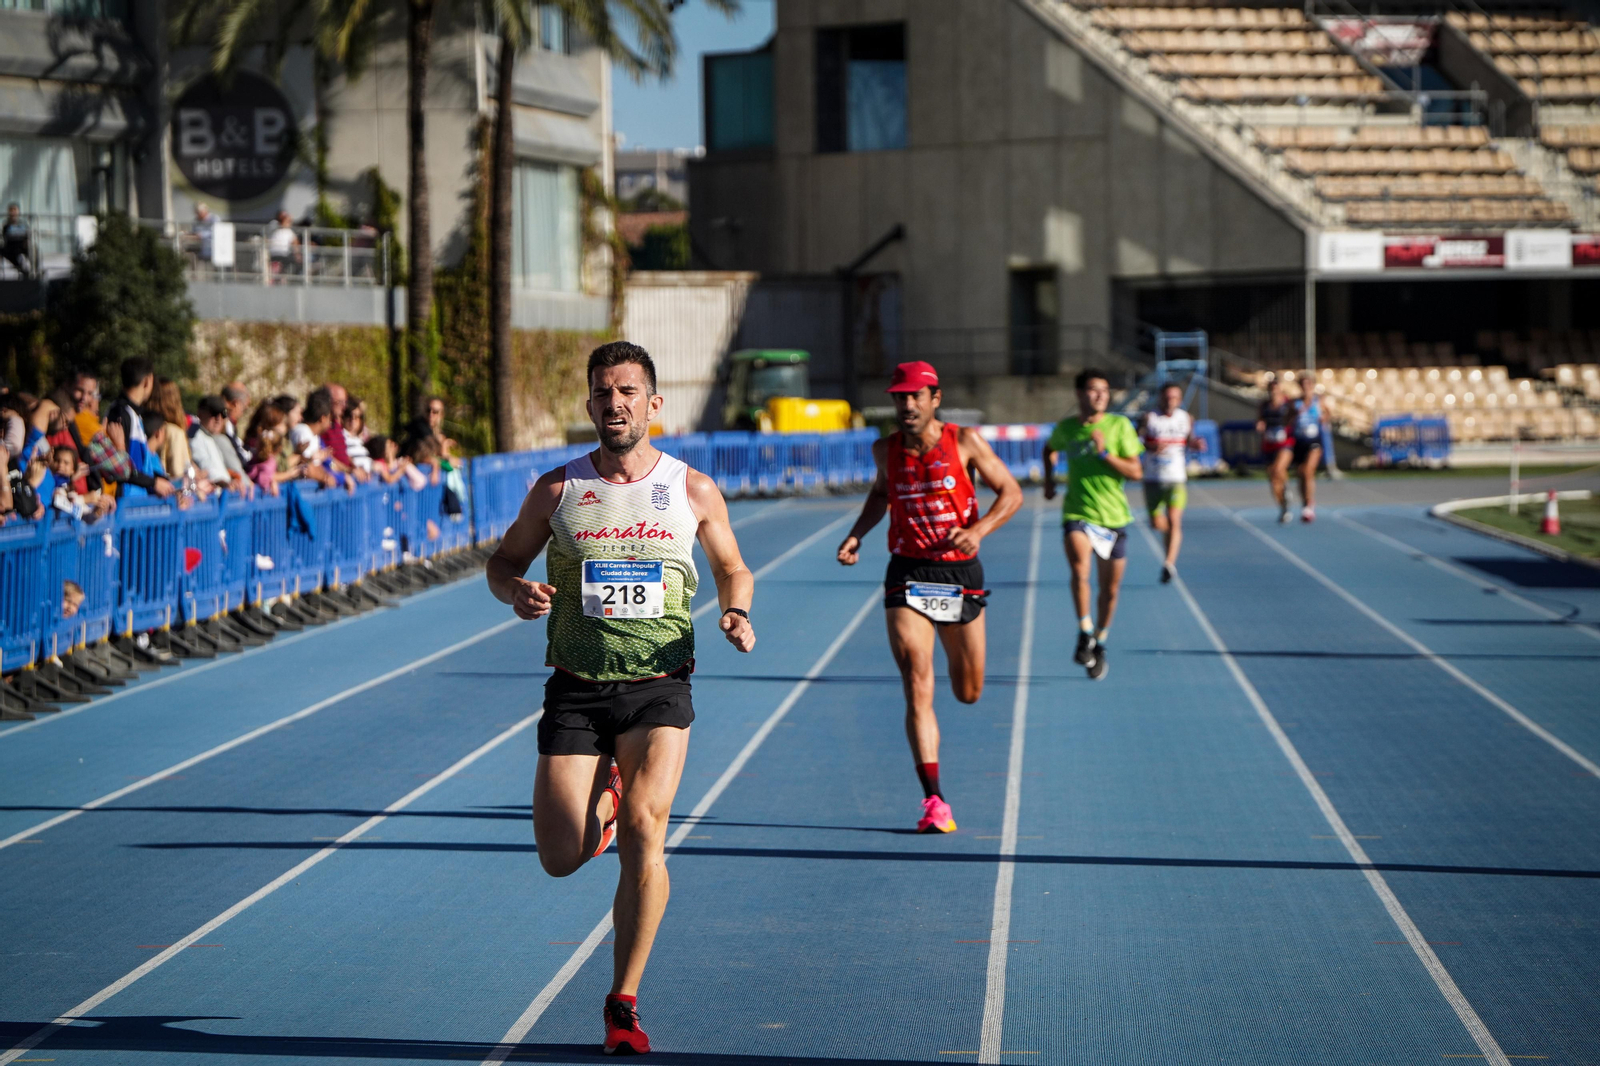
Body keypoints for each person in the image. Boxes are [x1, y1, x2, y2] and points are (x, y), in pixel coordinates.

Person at [485, 341, 756, 1057]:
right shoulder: (558, 490)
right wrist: (516, 590)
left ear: (653, 403)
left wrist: (736, 610)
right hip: (575, 687)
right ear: (590, 405)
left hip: (659, 685)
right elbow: (503, 560)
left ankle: (623, 1002)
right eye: (604, 393)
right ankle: (603, 796)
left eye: (629, 391)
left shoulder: (691, 489)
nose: (616, 403)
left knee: (647, 827)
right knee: (559, 856)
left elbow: (732, 565)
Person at [836, 360, 1022, 834]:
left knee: (968, 691)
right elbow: (881, 495)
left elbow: (1012, 493)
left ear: (934, 399)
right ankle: (935, 800)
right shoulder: (885, 449)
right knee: (917, 677)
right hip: (908, 573)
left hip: (959, 572)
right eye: (900, 397)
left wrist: (979, 530)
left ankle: (961, 685)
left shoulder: (965, 442)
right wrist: (858, 535)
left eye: (915, 396)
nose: (907, 405)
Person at [1043, 367, 1144, 682]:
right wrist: (1049, 481)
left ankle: (1099, 641)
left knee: (1110, 591)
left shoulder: (1119, 425)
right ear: (1079, 394)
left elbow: (1136, 472)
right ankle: (1085, 629)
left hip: (1114, 518)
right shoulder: (1067, 428)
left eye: (1105, 390)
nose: (1100, 395)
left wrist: (1105, 454)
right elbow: (1049, 449)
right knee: (1079, 570)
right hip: (1078, 513)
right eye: (1093, 389)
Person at [1140, 381, 1201, 584]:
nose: (1170, 401)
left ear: (1180, 399)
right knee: (1157, 523)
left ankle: (1169, 563)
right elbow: (1135, 442)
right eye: (1167, 397)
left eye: (1174, 397)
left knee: (1175, 521)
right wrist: (1150, 446)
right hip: (1153, 477)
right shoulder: (1149, 418)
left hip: (1176, 478)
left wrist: (1196, 444)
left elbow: (1189, 440)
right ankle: (1169, 539)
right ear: (1160, 398)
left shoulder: (1186, 418)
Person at [104, 358, 176, 500]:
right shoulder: (121, 413)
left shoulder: (135, 415)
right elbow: (119, 467)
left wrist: (163, 483)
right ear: (147, 381)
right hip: (125, 503)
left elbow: (141, 467)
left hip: (138, 501)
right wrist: (153, 482)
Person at [1256, 376, 1297, 525]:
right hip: (1269, 443)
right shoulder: (1264, 405)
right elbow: (1260, 419)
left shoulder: (1287, 403)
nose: (1274, 392)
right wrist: (1260, 424)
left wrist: (1289, 426)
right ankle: (1284, 507)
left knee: (1278, 469)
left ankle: (1287, 489)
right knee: (1273, 481)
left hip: (1284, 442)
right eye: (1271, 389)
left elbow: (1295, 416)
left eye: (1276, 389)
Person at [1289, 384, 1324, 524]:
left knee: (1308, 471)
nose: (1306, 388)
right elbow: (1288, 420)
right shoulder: (1295, 403)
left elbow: (1327, 416)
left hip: (1314, 441)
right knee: (1300, 473)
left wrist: (1324, 417)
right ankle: (1305, 502)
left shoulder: (1319, 401)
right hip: (1299, 441)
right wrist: (1295, 415)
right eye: (1303, 385)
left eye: (1308, 385)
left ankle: (1309, 505)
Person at [2, 203, 31, 279]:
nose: (13, 212)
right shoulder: (6, 225)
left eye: (14, 210)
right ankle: (21, 268)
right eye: (11, 210)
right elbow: (5, 237)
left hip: (21, 245)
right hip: (11, 246)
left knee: (32, 250)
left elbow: (27, 236)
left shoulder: (23, 224)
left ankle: (31, 269)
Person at [267, 210, 298, 280]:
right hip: (278, 255)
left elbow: (295, 245)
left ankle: (284, 278)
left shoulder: (288, 232)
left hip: (278, 255)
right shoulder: (274, 227)